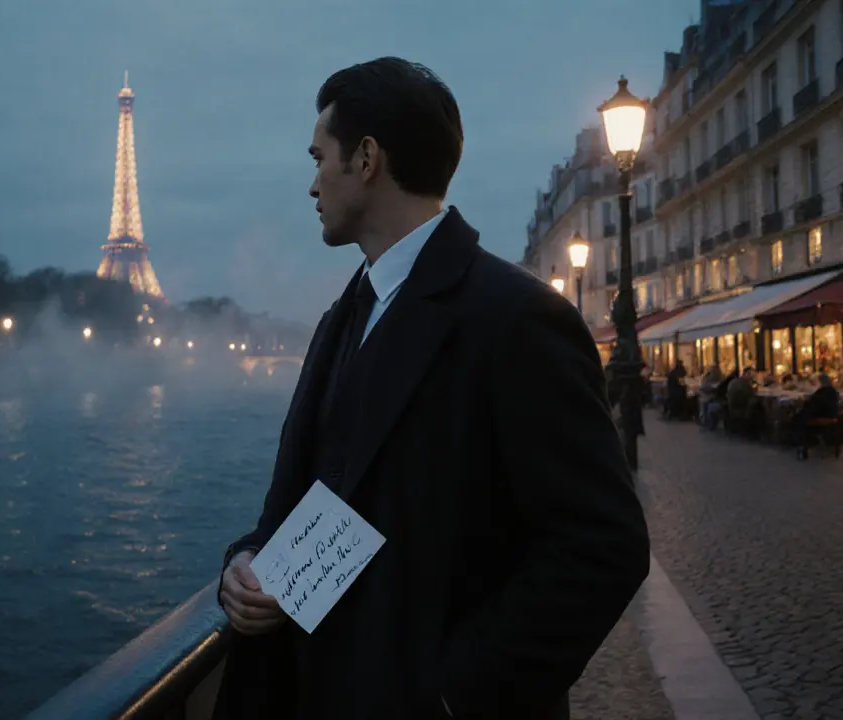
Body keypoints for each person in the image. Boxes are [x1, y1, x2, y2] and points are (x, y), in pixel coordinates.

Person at [213, 57, 650, 720]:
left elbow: (603, 546)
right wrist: (249, 558)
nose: (311, 183)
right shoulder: (349, 312)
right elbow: (341, 487)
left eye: (318, 156)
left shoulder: (517, 320)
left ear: (366, 158)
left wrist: (456, 693)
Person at [792, 373, 841, 460]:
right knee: (801, 418)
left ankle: (802, 446)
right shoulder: (833, 392)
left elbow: (813, 406)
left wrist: (805, 404)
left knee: (799, 419)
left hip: (822, 416)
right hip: (831, 415)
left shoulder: (821, 393)